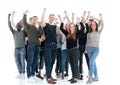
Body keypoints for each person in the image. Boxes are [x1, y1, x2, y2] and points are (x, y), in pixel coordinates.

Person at [58, 14, 84, 83]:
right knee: (71, 64)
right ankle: (73, 76)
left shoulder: (77, 34)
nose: (71, 27)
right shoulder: (67, 34)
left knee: (75, 64)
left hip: (75, 50)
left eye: (73, 26)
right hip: (68, 51)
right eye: (70, 26)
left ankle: (75, 77)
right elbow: (61, 28)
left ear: (74, 27)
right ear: (69, 28)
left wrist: (80, 22)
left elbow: (83, 29)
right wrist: (62, 21)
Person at [23, 10, 43, 82]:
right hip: (31, 46)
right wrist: (25, 14)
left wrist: (40, 25)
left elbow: (41, 33)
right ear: (31, 20)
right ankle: (29, 77)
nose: (35, 20)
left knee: (35, 61)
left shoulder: (37, 28)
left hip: (37, 46)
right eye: (34, 19)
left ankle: (33, 75)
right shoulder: (28, 26)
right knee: (30, 61)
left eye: (36, 19)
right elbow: (24, 22)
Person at [40, 8, 57, 84]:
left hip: (54, 45)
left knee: (53, 61)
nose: (52, 18)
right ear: (49, 18)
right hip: (48, 45)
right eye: (51, 17)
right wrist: (44, 11)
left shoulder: (55, 26)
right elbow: (42, 21)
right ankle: (49, 78)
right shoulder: (46, 25)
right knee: (48, 61)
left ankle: (49, 75)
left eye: (53, 17)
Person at [86, 13, 104, 84]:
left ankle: (90, 77)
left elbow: (102, 24)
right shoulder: (88, 33)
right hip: (89, 49)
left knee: (91, 62)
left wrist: (99, 17)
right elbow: (87, 42)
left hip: (96, 49)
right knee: (93, 63)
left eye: (94, 24)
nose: (93, 25)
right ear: (90, 26)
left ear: (96, 26)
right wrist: (86, 49)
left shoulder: (98, 32)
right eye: (92, 24)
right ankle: (96, 76)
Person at [8, 11, 26, 79]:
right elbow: (10, 25)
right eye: (17, 25)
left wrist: (24, 16)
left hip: (22, 48)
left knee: (22, 61)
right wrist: (9, 17)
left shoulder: (23, 31)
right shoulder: (14, 32)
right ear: (16, 26)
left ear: (21, 26)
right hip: (16, 49)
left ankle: (23, 73)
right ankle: (20, 72)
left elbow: (25, 24)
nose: (18, 26)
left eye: (20, 25)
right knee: (17, 61)